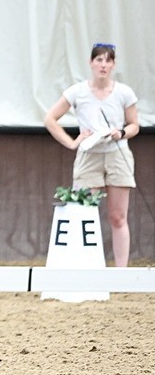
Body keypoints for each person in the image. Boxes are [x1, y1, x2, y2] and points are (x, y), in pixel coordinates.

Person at [43, 42, 140, 267]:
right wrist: (72, 142)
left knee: (118, 216)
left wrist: (122, 132)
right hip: (89, 154)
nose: (103, 65)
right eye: (99, 60)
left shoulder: (124, 92)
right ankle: (84, 268)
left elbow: (135, 124)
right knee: (84, 213)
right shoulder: (78, 91)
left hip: (117, 154)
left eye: (108, 60)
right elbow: (50, 119)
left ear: (114, 65)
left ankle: (121, 273)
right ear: (91, 63)